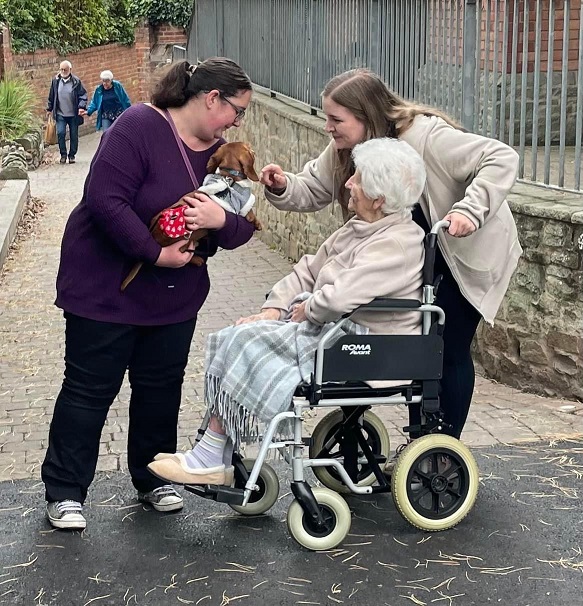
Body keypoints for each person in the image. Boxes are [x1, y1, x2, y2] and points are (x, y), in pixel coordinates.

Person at [41, 58, 255, 530]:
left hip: (173, 298)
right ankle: (65, 490)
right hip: (105, 291)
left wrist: (221, 220)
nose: (238, 122)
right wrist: (153, 254)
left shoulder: (221, 154)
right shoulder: (138, 125)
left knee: (161, 389)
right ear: (211, 98)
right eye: (236, 110)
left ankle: (153, 477)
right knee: (89, 390)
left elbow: (241, 224)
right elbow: (104, 199)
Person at [259, 68, 521, 453]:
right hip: (410, 252)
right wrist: (284, 186)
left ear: (365, 116)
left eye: (336, 119)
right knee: (407, 349)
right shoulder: (346, 147)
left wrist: (470, 209)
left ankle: (439, 449)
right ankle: (413, 442)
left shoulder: (426, 137)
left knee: (445, 348)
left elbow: (500, 156)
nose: (327, 127)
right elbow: (314, 187)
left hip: (461, 251)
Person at [146, 137, 427, 486]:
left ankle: (209, 456)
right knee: (237, 334)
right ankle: (213, 451)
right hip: (337, 331)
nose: (348, 184)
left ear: (379, 199)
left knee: (248, 343)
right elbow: (308, 270)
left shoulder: (397, 242)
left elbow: (339, 298)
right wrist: (273, 309)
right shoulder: (363, 227)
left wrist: (307, 308)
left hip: (368, 344)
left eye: (357, 179)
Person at [46, 60, 88, 164]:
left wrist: (81, 107)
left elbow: (83, 95)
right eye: (61, 69)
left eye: (65, 69)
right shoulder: (55, 81)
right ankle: (63, 155)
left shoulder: (76, 81)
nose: (63, 71)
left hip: (73, 114)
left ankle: (72, 155)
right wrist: (49, 109)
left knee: (73, 135)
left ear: (70, 70)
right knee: (60, 133)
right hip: (60, 113)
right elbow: (51, 96)